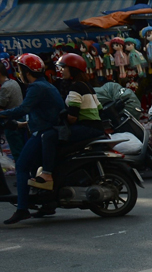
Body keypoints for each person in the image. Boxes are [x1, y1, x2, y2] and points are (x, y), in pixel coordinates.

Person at [25, 53, 107, 204]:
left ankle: (47, 174)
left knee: (49, 136)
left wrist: (65, 120)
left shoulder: (75, 87)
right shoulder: (87, 86)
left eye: (64, 68)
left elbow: (73, 116)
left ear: (73, 69)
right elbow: (100, 109)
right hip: (95, 127)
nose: (61, 71)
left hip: (86, 128)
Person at [0, 54, 65, 225]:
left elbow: (23, 108)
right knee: (35, 167)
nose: (19, 73)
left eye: (20, 70)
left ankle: (22, 208)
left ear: (26, 71)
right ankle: (47, 203)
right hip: (44, 129)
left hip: (43, 133)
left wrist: (3, 113)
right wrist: (22, 125)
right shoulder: (45, 85)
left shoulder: (36, 87)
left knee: (21, 165)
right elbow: (39, 113)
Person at [0, 65, 27, 161]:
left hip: (11, 123)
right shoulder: (13, 82)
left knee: (18, 154)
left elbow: (1, 107)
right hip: (19, 119)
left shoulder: (5, 88)